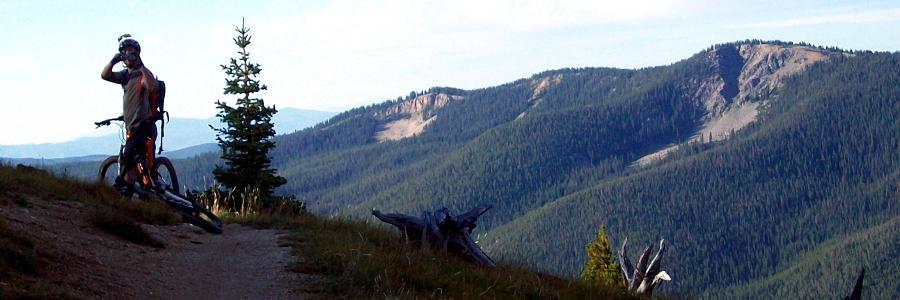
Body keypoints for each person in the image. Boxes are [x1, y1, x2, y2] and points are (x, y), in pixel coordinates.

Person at [100, 34, 159, 194]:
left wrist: (141, 65)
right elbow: (105, 75)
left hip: (143, 126)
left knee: (127, 161)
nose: (128, 56)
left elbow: (152, 87)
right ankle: (142, 191)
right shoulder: (125, 75)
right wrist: (114, 60)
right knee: (135, 162)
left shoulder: (143, 73)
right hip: (131, 126)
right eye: (125, 53)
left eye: (132, 52)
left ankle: (125, 191)